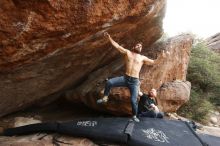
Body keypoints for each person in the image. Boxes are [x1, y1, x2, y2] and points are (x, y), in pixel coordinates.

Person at [97, 32, 169, 122]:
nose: (139, 46)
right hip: (125, 78)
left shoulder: (142, 58)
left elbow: (154, 62)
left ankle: (134, 116)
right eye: (138, 45)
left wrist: (161, 57)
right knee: (109, 82)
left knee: (133, 100)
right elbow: (117, 46)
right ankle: (105, 98)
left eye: (140, 46)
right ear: (134, 47)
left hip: (134, 82)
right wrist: (109, 38)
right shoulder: (127, 53)